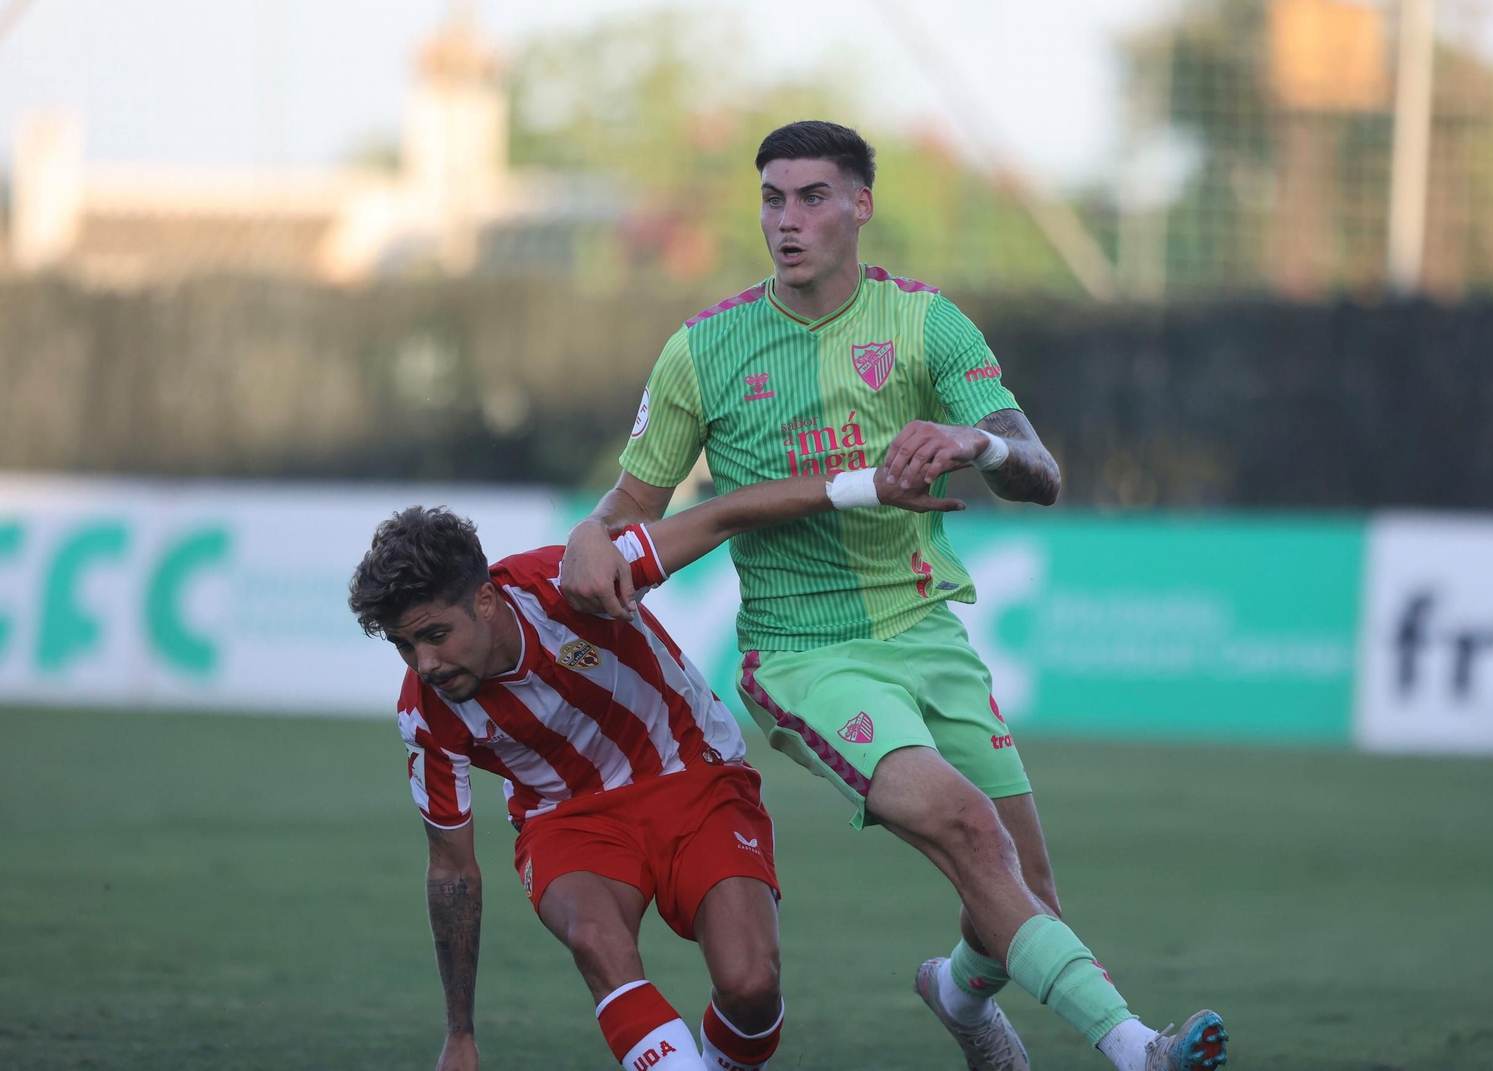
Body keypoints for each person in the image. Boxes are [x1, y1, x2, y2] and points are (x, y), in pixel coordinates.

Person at [561, 120, 1228, 1071]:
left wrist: (977, 443)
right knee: (966, 826)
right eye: (772, 199)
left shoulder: (926, 324)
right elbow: (630, 507)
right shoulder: (702, 352)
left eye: (813, 198)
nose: (787, 221)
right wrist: (588, 536)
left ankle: (957, 993)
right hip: (803, 654)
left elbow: (1038, 469)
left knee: (1025, 885)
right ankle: (1137, 1049)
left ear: (861, 206)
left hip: (927, 632)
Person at [348, 468, 964, 1071]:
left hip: (692, 775)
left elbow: (723, 514)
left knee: (750, 987)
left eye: (435, 635)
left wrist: (872, 486)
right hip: (566, 822)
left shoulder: (573, 583)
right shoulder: (426, 715)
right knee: (596, 939)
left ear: (484, 599)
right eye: (406, 646)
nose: (424, 663)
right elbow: (452, 870)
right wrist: (460, 1033)